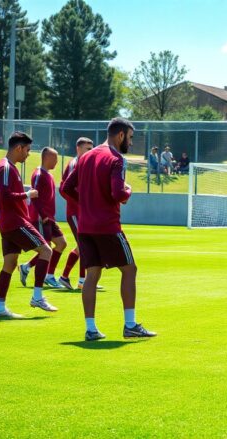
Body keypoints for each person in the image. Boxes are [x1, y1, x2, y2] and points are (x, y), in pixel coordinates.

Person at [62, 117, 156, 341]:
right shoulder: (117, 159)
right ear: (120, 135)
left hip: (85, 226)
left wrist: (86, 204)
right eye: (130, 138)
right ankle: (130, 325)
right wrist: (128, 191)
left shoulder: (85, 157)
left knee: (92, 274)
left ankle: (91, 329)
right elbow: (118, 194)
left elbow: (65, 188)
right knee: (129, 270)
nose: (130, 143)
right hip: (107, 226)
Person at [0, 132, 58, 318]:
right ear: (18, 148)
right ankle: (37, 297)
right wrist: (27, 194)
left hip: (8, 222)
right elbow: (5, 195)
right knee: (46, 251)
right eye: (27, 150)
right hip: (15, 221)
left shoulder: (9, 167)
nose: (28, 154)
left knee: (10, 263)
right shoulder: (6, 167)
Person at [18, 147, 67, 288]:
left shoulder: (48, 175)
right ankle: (45, 279)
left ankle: (27, 267)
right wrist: (44, 215)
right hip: (41, 218)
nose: (57, 162)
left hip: (49, 218)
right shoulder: (39, 174)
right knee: (46, 248)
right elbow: (34, 196)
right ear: (47, 158)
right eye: (55, 158)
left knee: (61, 243)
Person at [58, 137, 94, 290]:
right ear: (78, 149)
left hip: (81, 212)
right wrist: (79, 202)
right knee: (84, 246)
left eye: (92, 149)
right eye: (88, 149)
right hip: (75, 213)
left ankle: (67, 277)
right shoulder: (75, 164)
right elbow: (63, 188)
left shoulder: (83, 163)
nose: (91, 152)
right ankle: (81, 280)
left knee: (83, 246)